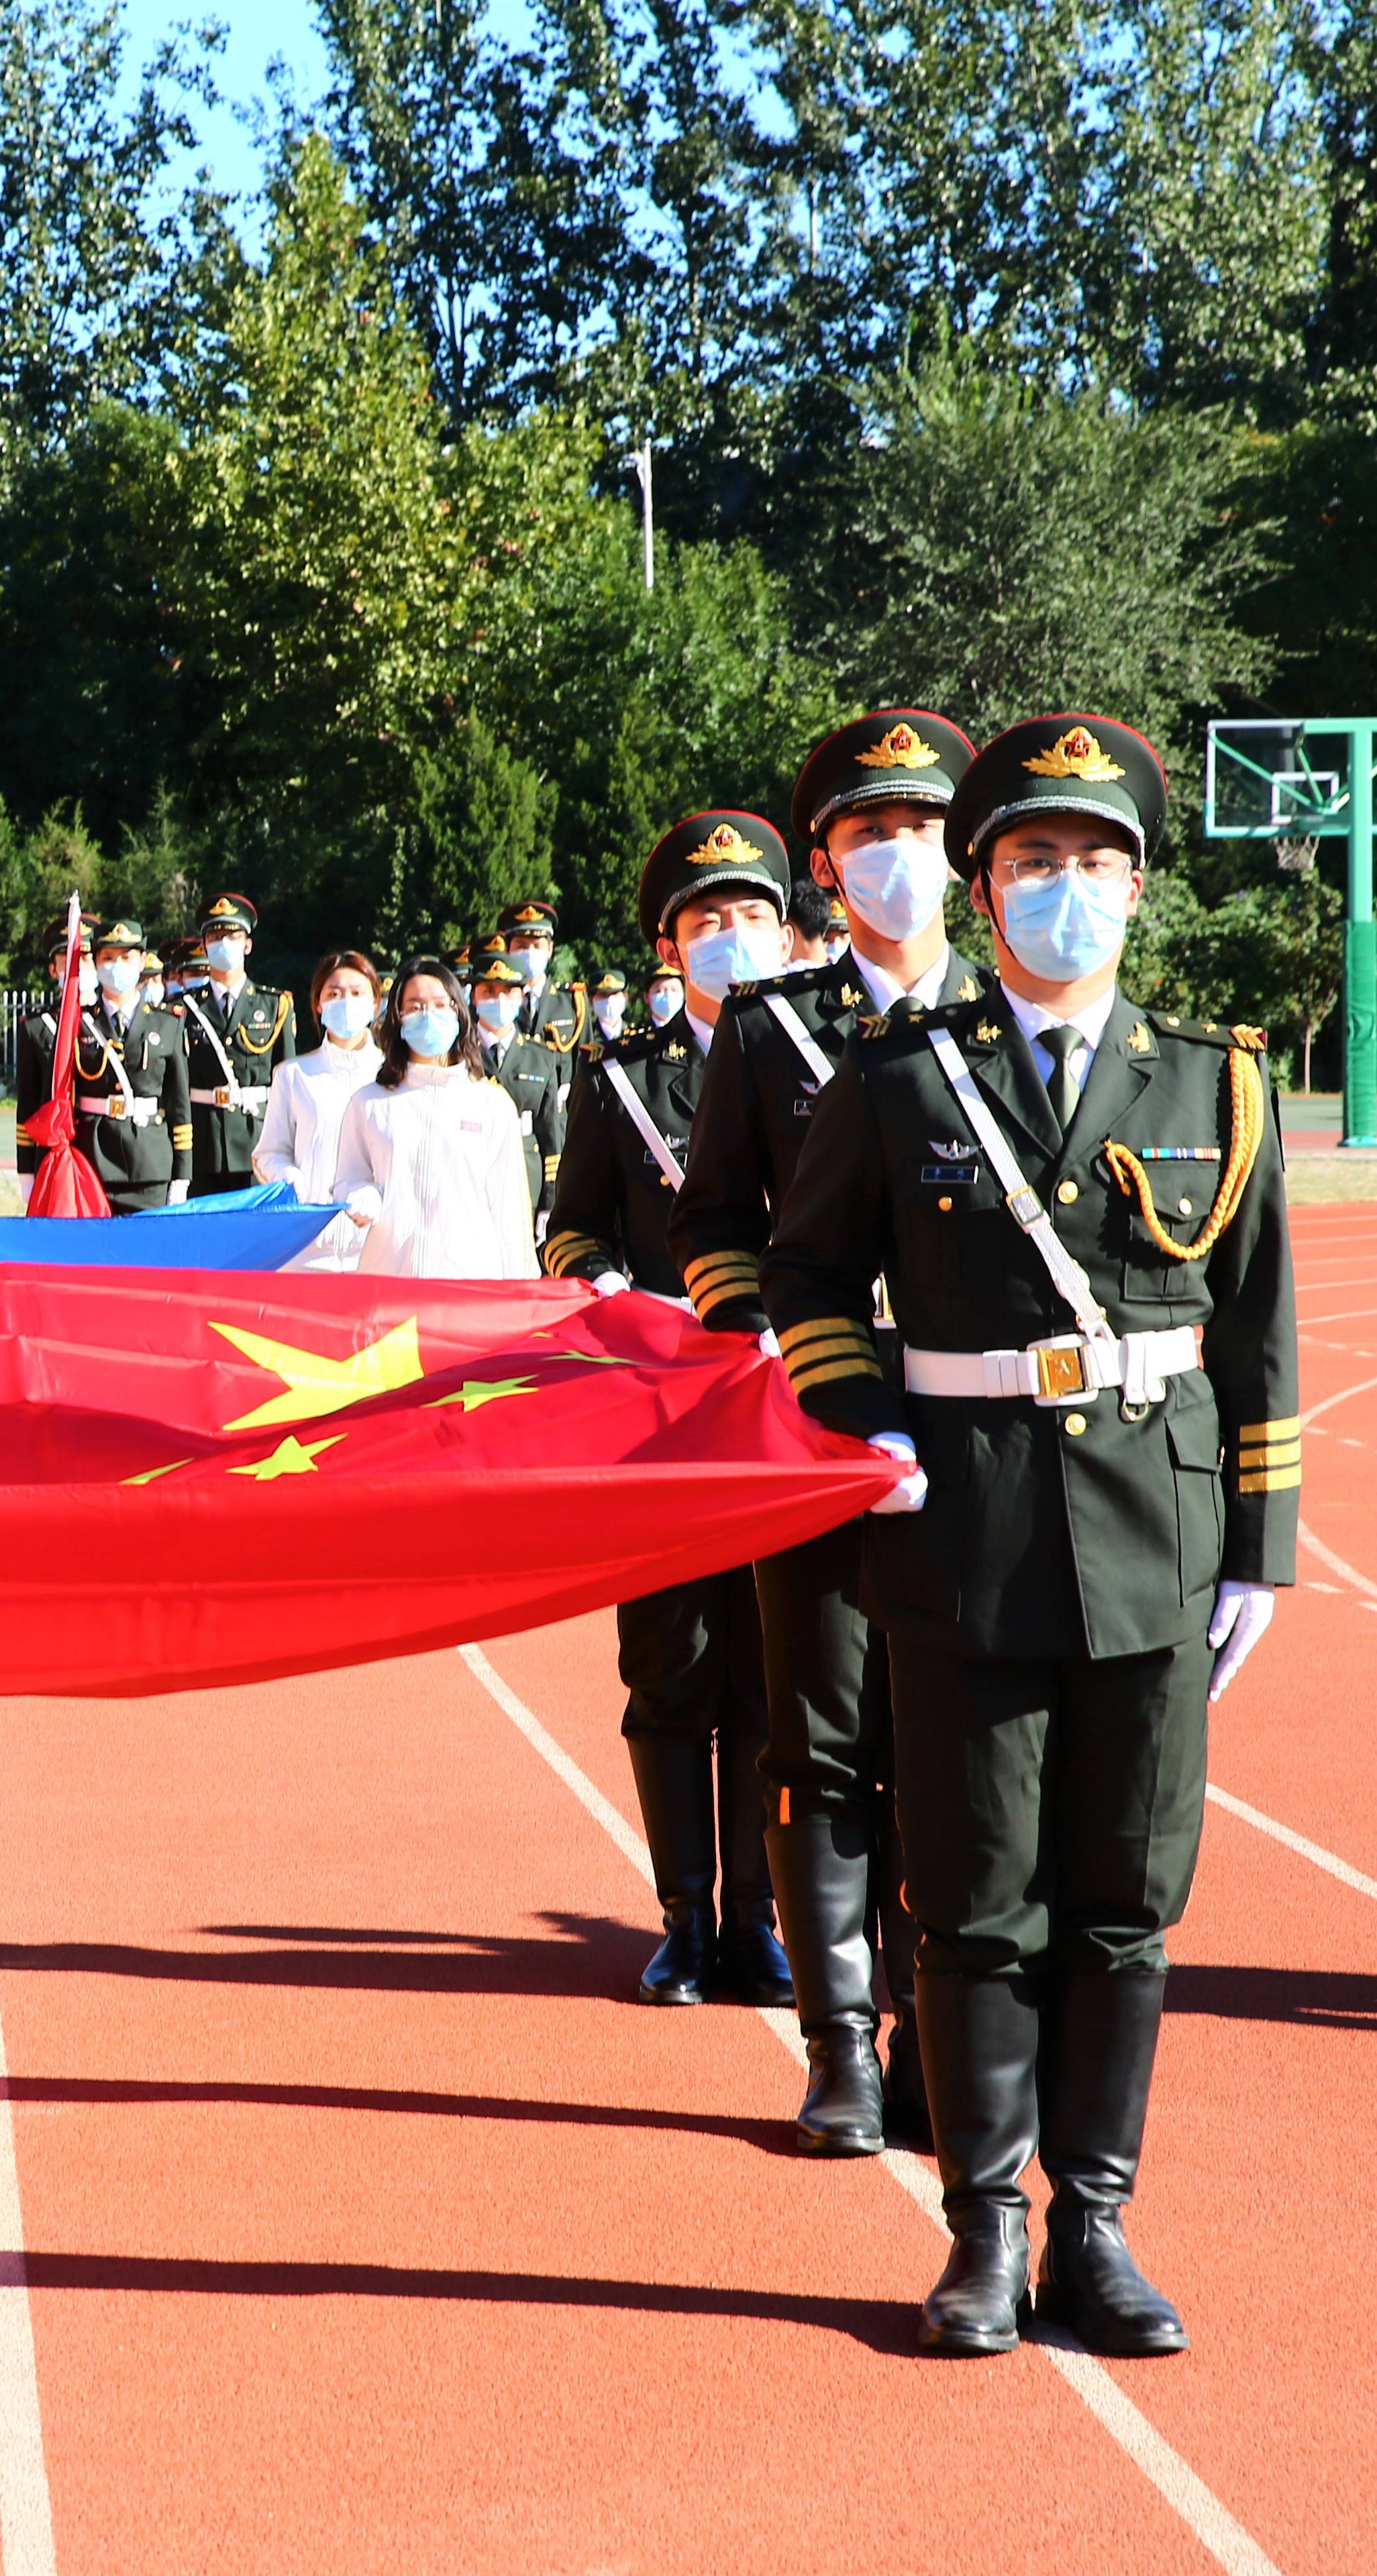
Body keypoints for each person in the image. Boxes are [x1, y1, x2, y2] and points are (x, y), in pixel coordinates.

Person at [762, 715, 1294, 2361]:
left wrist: (1257, 1547)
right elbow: (800, 1276)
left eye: (1089, 862)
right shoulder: (905, 1074)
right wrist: (868, 1423)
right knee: (977, 1896)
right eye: (1026, 862)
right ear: (978, 887)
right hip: (964, 1535)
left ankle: (1096, 2223)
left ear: (1135, 889)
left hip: (1153, 1535)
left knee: (1122, 1901)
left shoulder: (1216, 1079)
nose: (1058, 891)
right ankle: (980, 2229)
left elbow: (1257, 1327)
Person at [669, 710, 990, 2158]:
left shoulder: (1017, 1015)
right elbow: (717, 1228)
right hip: (818, 1435)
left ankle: (935, 2035)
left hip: (986, 1442)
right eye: (872, 836)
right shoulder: (767, 1031)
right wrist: (804, 1361)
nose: (900, 859)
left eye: (922, 831)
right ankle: (839, 2050)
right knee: (823, 1745)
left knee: (955, 1750)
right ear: (828, 865)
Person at [542, 812, 797, 2013]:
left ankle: (759, 1919)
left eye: (749, 915)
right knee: (670, 1667)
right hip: (659, 1416)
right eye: (705, 921)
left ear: (789, 930)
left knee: (772, 1674)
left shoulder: (834, 1063)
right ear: (669, 942)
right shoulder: (624, 1080)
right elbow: (575, 1219)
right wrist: (590, 1276)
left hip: (789, 1409)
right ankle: (684, 1920)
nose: (728, 938)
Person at [325, 957, 536, 1276]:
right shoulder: (369, 1103)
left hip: (469, 1285)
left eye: (440, 1005)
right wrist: (360, 1195)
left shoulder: (491, 1104)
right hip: (389, 1279)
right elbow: (348, 1178)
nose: (429, 1015)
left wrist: (521, 1291)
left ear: (459, 1013)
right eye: (415, 1006)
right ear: (398, 1017)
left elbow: (511, 1214)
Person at [12, 918, 192, 1209]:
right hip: (91, 1162)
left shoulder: (169, 1023)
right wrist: (29, 1170)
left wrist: (181, 1177)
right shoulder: (75, 1024)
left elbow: (179, 1107)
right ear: (95, 963)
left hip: (150, 1164)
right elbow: (51, 1100)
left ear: (142, 961)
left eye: (126, 956)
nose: (116, 965)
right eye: (108, 958)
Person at [257, 951, 387, 1272]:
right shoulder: (294, 1075)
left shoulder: (392, 1077)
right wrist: (285, 1175)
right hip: (304, 1253)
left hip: (374, 1253)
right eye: (334, 993)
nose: (346, 1001)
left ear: (375, 1003)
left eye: (357, 993)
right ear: (318, 1004)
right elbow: (268, 1153)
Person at [176, 893, 295, 1198]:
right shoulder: (182, 1009)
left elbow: (287, 1085)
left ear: (248, 944)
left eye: (232, 935)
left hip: (258, 1143)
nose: (224, 943)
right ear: (203, 946)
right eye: (215, 936)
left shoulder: (275, 1005)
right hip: (202, 1147)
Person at [462, 936, 572, 1218]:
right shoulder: (458, 1054)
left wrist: (550, 1203)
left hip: (526, 1180)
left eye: (508, 992)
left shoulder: (542, 1057)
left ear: (521, 997)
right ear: (474, 996)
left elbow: (552, 1135)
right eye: (488, 991)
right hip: (466, 1177)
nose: (498, 999)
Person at [503, 898, 590, 1049]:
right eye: (521, 946)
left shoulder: (572, 1002)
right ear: (507, 951)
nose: (530, 952)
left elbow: (586, 1062)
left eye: (537, 946)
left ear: (550, 949)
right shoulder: (498, 1002)